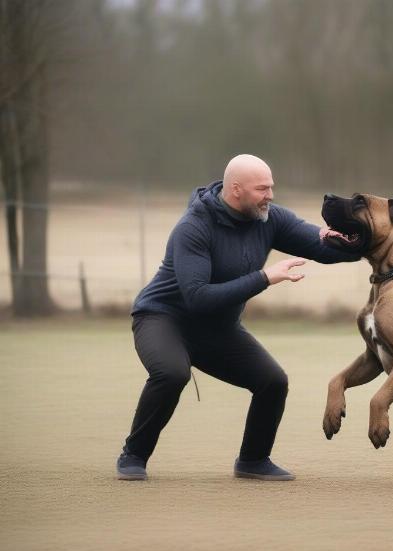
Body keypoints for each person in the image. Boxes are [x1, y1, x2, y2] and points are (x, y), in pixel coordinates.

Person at [117, 154, 360, 481]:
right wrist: (265, 278)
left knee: (272, 382)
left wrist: (368, 238)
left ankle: (253, 461)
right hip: (164, 319)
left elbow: (322, 248)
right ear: (235, 190)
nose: (270, 195)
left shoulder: (269, 218)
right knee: (173, 373)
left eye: (271, 187)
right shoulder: (193, 227)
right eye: (262, 189)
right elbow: (198, 297)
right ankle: (134, 455)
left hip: (217, 329)